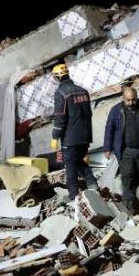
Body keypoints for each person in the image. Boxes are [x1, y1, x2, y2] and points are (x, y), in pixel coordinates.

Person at [103, 86, 139, 213]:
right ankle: (128, 205)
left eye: (133, 100)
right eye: (128, 100)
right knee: (127, 176)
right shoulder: (116, 110)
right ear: (123, 98)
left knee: (138, 176)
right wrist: (107, 148)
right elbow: (109, 130)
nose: (131, 103)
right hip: (125, 150)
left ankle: (130, 198)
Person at [50, 63, 98, 199]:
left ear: (56, 77)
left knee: (70, 167)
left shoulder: (61, 93)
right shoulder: (83, 91)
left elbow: (60, 117)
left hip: (70, 138)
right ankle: (93, 184)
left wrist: (55, 136)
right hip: (85, 136)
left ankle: (73, 197)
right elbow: (89, 114)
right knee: (78, 161)